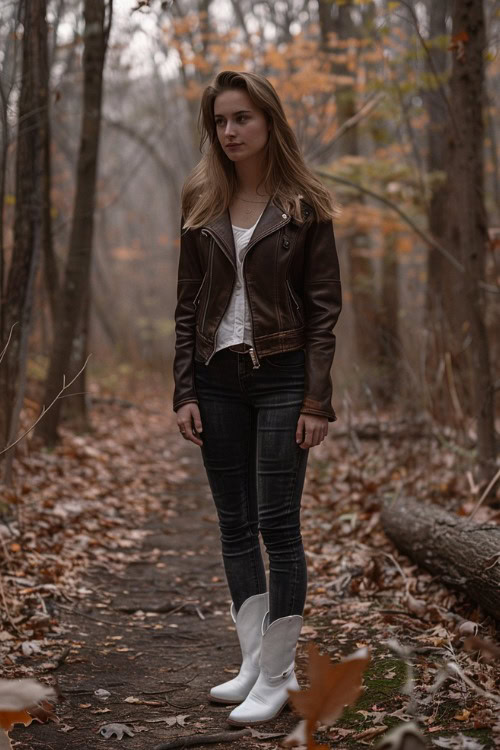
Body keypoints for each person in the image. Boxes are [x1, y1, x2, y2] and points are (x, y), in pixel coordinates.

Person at [173, 70, 342, 726]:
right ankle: (253, 662)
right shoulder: (199, 198)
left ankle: (276, 676)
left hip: (282, 377)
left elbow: (325, 311)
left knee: (278, 524)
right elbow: (186, 304)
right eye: (219, 121)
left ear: (269, 120)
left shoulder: (305, 203)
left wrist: (316, 400)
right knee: (235, 523)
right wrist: (183, 388)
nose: (229, 131)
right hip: (216, 378)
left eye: (241, 117)